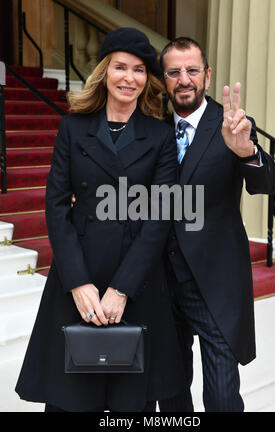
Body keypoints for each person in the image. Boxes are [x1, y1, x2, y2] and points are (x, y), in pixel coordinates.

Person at [15, 28, 187, 412]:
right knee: (71, 399)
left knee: (131, 405)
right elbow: (56, 206)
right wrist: (77, 283)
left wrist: (122, 288)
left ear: (148, 80)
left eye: (140, 70)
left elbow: (159, 216)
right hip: (79, 275)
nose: (130, 78)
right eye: (121, 67)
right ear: (105, 72)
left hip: (137, 281)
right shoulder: (73, 128)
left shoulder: (159, 136)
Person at [158, 37, 275, 412]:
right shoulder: (153, 130)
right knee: (170, 392)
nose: (184, 80)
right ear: (164, 80)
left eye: (192, 70)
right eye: (174, 72)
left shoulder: (232, 127)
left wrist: (246, 150)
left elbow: (267, 183)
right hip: (162, 282)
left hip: (215, 285)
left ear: (207, 76)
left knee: (222, 398)